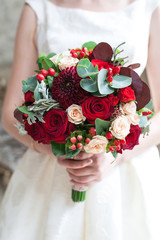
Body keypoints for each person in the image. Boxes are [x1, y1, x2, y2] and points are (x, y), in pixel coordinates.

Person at [0, 0, 160, 239]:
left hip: (127, 171)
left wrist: (113, 157)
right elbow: (11, 112)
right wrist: (52, 148)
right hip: (53, 169)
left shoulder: (149, 7)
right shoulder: (37, 8)